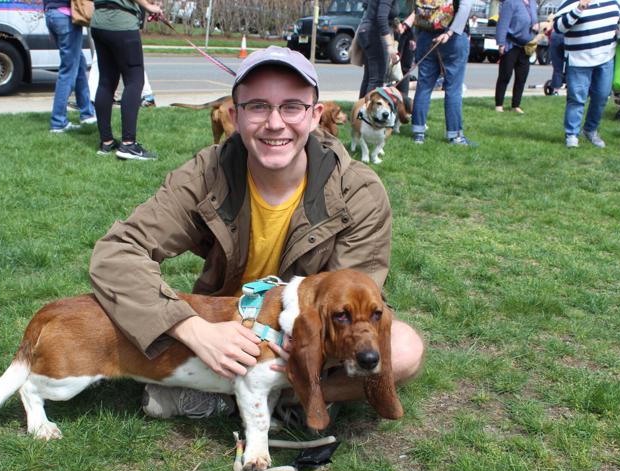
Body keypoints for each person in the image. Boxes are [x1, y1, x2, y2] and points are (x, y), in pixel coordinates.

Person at [89, 46, 425, 422]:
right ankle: (243, 390)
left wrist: (292, 350)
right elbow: (116, 252)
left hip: (309, 332)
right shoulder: (206, 173)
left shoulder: (359, 191)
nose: (275, 123)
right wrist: (193, 329)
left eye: (292, 107)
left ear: (316, 116)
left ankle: (274, 397)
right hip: (226, 325)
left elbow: (353, 305)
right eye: (259, 106)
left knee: (407, 348)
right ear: (234, 115)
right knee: (121, 309)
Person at [90, 0, 162, 160]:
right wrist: (149, 7)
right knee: (135, 80)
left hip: (98, 22)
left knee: (106, 82)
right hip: (122, 23)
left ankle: (106, 142)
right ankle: (129, 145)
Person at [554, 0, 620, 148]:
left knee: (602, 97)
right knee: (577, 99)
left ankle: (590, 130)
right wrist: (578, 10)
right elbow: (558, 28)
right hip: (579, 60)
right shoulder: (569, 3)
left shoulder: (615, 2)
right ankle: (572, 134)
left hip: (606, 58)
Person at [411, 0, 475, 145]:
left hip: (426, 36)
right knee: (453, 88)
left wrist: (417, 36)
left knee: (424, 86)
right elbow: (465, 7)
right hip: (453, 39)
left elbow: (417, 11)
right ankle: (455, 135)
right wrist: (449, 32)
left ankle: (418, 132)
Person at [44, 0, 96, 133]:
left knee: (79, 63)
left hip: (51, 14)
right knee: (68, 71)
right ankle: (58, 122)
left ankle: (87, 113)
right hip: (66, 15)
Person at [494, 0, 539, 114]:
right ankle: (499, 105)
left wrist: (536, 26)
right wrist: (501, 43)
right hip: (511, 44)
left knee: (521, 77)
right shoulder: (510, 2)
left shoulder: (533, 3)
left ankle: (516, 105)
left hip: (526, 46)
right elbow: (503, 23)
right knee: (505, 75)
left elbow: (534, 20)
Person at [356, 0, 400, 98]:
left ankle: (361, 110)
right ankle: (370, 110)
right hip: (374, 33)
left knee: (370, 77)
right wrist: (389, 45)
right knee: (377, 79)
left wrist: (396, 23)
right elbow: (381, 17)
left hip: (368, 31)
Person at [547, 30, 566, 95]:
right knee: (572, 66)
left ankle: (556, 90)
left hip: (555, 36)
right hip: (569, 37)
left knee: (557, 68)